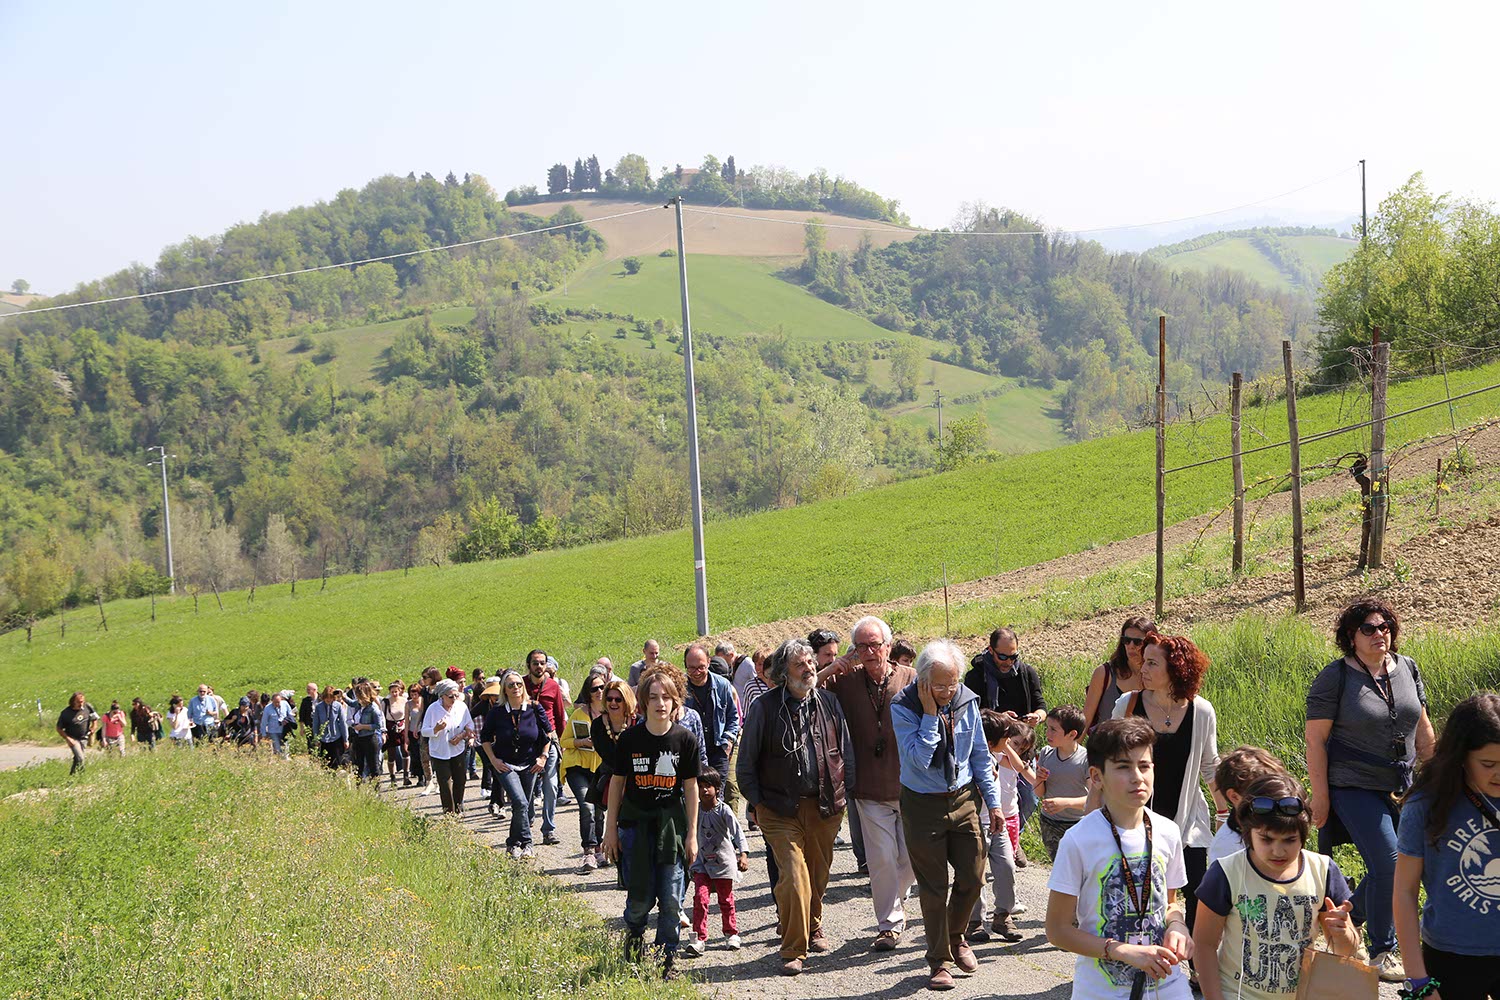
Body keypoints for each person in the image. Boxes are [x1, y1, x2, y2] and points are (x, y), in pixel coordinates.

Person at [1305, 599, 1436, 982]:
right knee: (1390, 862)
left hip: (1403, 784)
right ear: (1351, 636)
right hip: (1352, 783)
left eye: (1385, 627)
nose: (1380, 634)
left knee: (1407, 862)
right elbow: (1316, 741)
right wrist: (1321, 795)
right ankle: (1382, 950)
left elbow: (1421, 727)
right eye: (1369, 628)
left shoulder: (1407, 668)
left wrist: (1440, 774)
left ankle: (1347, 917)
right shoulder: (1336, 677)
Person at [1045, 717, 1194, 1000]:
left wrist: (1177, 926)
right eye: (1123, 767)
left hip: (1167, 984)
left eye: (1144, 766)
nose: (1137, 777)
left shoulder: (1168, 831)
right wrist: (1120, 950)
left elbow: (1170, 903)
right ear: (1097, 777)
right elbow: (1057, 930)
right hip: (1101, 990)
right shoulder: (1079, 840)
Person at [891, 639, 1003, 991]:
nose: (947, 691)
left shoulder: (966, 700)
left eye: (951, 683)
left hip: (964, 796)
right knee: (934, 886)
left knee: (973, 876)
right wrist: (928, 714)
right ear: (923, 681)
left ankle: (957, 937)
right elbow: (919, 760)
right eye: (938, 685)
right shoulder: (903, 706)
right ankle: (939, 960)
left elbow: (981, 755)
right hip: (922, 803)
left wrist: (994, 802)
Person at [738, 637, 854, 976]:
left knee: (817, 876)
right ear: (783, 673)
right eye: (800, 664)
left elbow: (846, 753)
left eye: (810, 662)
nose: (809, 668)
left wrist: (848, 795)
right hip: (778, 808)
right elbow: (745, 764)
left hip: (825, 806)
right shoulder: (764, 708)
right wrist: (757, 803)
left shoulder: (830, 703)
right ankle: (793, 947)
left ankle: (813, 923)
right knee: (793, 875)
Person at [1193, 772, 1359, 1000]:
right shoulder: (1226, 873)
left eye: (1290, 840)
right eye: (1266, 839)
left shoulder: (1322, 871)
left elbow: (1346, 951)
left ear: (1304, 835)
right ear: (1247, 831)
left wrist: (1342, 935)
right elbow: (1204, 944)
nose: (1278, 851)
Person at [1112, 631, 1224, 933]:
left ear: (1175, 667)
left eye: (1151, 663)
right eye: (1142, 662)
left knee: (1199, 892)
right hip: (1136, 822)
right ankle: (1152, 959)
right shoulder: (1127, 706)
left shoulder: (1201, 711)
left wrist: (1225, 815)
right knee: (1147, 897)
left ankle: (1196, 965)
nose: (1143, 669)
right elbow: (1109, 763)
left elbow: (1210, 766)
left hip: (1188, 822)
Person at [820, 615, 918, 952]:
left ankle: (896, 898)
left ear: (888, 646)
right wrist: (833, 668)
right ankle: (889, 925)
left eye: (875, 644)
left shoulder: (911, 678)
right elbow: (803, 693)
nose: (869, 651)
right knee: (880, 860)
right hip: (867, 787)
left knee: (912, 858)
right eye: (861, 646)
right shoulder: (844, 681)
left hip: (909, 784)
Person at [1395, 693, 1500, 1000]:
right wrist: (1418, 980)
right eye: (1488, 763)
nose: (1499, 773)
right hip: (1452, 956)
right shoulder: (1425, 805)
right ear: (1460, 757)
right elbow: (1404, 892)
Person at [603, 667, 701, 982]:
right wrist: (610, 830)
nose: (660, 703)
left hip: (671, 828)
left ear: (676, 702)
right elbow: (617, 784)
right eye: (654, 697)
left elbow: (690, 787)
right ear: (644, 702)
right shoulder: (631, 739)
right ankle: (634, 945)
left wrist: (693, 834)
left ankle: (665, 958)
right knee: (640, 898)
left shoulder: (684, 738)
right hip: (635, 827)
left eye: (667, 697)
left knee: (672, 898)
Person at [965, 627, 1046, 861]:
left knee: (1030, 796)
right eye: (1003, 656)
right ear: (991, 651)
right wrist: (1000, 718)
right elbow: (971, 713)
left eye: (1013, 656)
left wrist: (1037, 717)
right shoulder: (976, 676)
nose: (1008, 662)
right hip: (992, 747)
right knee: (997, 797)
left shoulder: (1026, 673)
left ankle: (1013, 835)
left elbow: (1041, 704)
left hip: (1022, 745)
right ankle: (994, 840)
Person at [968, 710, 1024, 945]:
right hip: (974, 822)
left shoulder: (996, 754)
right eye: (1005, 738)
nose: (1009, 742)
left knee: (1006, 867)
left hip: (997, 822)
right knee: (975, 875)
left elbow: (1018, 765)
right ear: (990, 742)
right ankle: (974, 922)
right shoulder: (970, 758)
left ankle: (1002, 915)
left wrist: (1003, 723)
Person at [483, 670, 552, 855]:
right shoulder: (497, 712)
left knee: (524, 805)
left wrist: (543, 757)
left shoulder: (534, 708)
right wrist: (493, 760)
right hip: (505, 764)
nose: (515, 688)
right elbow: (485, 738)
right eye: (511, 684)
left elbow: (548, 736)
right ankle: (527, 843)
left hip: (530, 764)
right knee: (520, 802)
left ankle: (513, 843)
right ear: (504, 689)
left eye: (519, 684)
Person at [684, 767, 749, 957]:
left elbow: (738, 833)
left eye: (709, 786)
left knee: (726, 900)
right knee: (700, 899)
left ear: (717, 788)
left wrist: (743, 854)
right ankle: (699, 939)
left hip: (723, 863)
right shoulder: (693, 811)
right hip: (701, 863)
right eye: (701, 786)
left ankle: (731, 933)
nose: (704, 791)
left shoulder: (724, 811)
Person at [1207, 746, 1289, 867]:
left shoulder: (1277, 824)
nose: (1273, 800)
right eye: (1262, 797)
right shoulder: (1227, 845)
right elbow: (1222, 884)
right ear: (1234, 797)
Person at [684, 643, 741, 808]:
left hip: (718, 748)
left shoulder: (722, 685)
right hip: (692, 751)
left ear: (708, 662)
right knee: (693, 794)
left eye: (701, 667)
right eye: (691, 668)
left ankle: (718, 829)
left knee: (718, 795)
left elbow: (733, 715)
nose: (696, 673)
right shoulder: (680, 688)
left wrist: (728, 742)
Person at [589, 678, 637, 870]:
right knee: (615, 823)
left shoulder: (638, 722)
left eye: (618, 699)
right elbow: (607, 756)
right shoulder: (598, 726)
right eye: (609, 699)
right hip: (611, 778)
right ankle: (620, 868)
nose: (613, 703)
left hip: (637, 779)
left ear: (626, 701)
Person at [523, 649, 568, 847]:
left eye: (542, 663)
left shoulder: (553, 686)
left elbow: (559, 715)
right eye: (535, 663)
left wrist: (564, 742)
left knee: (550, 784)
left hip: (549, 740)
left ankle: (548, 829)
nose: (539, 666)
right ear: (529, 665)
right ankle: (529, 817)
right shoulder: (520, 685)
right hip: (526, 741)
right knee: (529, 784)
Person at [1035, 704, 1091, 861]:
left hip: (1077, 825)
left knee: (1077, 871)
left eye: (1053, 729)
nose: (1047, 733)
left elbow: (1094, 798)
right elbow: (1039, 793)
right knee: (1059, 869)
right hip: (1049, 823)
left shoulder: (1086, 759)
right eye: (1047, 728)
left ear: (1072, 734)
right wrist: (1038, 779)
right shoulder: (1046, 753)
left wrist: (1065, 803)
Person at [563, 674, 607, 870]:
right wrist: (582, 742)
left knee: (599, 811)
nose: (599, 692)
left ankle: (599, 849)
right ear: (587, 693)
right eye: (594, 689)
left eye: (602, 687)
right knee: (587, 806)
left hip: (600, 768)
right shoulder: (579, 715)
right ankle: (588, 852)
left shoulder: (611, 713)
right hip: (577, 767)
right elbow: (564, 741)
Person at [1085, 617, 1154, 733]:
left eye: (1138, 642)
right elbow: (1085, 721)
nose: (1131, 646)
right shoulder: (1104, 674)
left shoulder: (1158, 676)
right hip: (1106, 748)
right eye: (1126, 640)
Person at [421, 679, 475, 814]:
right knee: (445, 784)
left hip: (458, 749)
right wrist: (436, 728)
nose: (454, 699)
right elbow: (424, 731)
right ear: (442, 696)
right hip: (440, 751)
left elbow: (470, 724)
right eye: (451, 696)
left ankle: (458, 808)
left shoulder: (461, 706)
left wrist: (462, 735)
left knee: (460, 780)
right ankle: (448, 814)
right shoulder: (433, 709)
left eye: (456, 695)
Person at [348, 682, 384, 782]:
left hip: (370, 739)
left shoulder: (373, 708)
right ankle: (359, 787)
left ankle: (376, 789)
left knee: (373, 765)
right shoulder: (359, 705)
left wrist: (362, 726)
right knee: (358, 765)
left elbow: (378, 725)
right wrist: (342, 695)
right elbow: (350, 703)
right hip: (359, 738)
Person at [57, 692, 94, 774]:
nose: (81, 704)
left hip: (84, 737)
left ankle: (72, 775)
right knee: (81, 758)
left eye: (82, 701)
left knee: (77, 758)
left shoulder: (87, 707)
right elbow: (59, 728)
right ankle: (83, 774)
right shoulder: (66, 713)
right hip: (73, 739)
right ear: (73, 701)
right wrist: (67, 738)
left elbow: (94, 719)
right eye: (79, 702)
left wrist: (93, 728)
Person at [312, 686, 349, 768]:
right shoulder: (318, 707)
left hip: (336, 737)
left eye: (331, 697)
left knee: (336, 762)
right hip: (323, 739)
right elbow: (315, 724)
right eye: (327, 697)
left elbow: (343, 723)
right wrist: (316, 738)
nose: (328, 699)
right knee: (325, 764)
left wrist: (346, 739)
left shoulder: (338, 706)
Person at [384, 680, 410, 786]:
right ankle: (392, 778)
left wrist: (403, 725)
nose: (394, 694)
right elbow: (382, 716)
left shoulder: (404, 701)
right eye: (392, 692)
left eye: (396, 691)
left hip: (403, 726)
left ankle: (406, 776)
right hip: (390, 727)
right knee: (391, 754)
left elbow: (408, 715)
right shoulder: (385, 702)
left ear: (400, 691)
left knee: (405, 750)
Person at [259, 691, 294, 758]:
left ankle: (285, 762)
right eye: (275, 702)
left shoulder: (285, 704)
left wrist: (288, 721)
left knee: (285, 749)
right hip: (273, 731)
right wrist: (263, 734)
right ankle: (279, 761)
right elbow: (264, 722)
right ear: (272, 701)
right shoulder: (267, 708)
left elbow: (290, 715)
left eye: (279, 702)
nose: (277, 704)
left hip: (284, 730)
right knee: (277, 749)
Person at [299, 682, 318, 754]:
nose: (307, 691)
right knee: (310, 744)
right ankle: (312, 760)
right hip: (309, 726)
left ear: (315, 690)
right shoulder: (305, 701)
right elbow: (302, 716)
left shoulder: (321, 699)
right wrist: (302, 728)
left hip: (320, 726)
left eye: (309, 689)